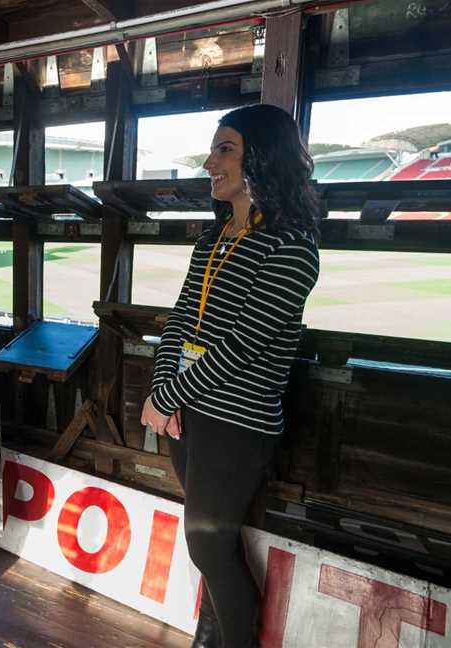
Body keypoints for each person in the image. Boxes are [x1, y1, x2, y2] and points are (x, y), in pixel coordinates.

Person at [140, 104, 321, 648]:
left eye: (225, 149)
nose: (209, 162)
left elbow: (242, 346)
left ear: (261, 159)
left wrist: (167, 394)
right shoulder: (212, 241)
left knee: (209, 546)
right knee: (209, 547)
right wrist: (162, 392)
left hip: (237, 422)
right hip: (188, 413)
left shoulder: (293, 246)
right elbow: (179, 322)